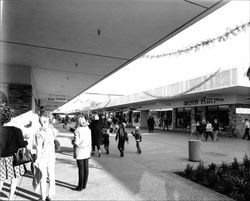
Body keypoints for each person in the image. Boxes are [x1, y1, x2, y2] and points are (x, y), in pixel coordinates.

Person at [0, 109, 27, 200]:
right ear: (11, 118)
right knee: (14, 179)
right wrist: (25, 142)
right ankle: (10, 198)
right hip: (13, 159)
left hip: (1, 159)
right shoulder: (17, 130)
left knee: (0, 179)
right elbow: (21, 145)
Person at [34, 115, 56, 201]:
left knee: (43, 177)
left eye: (44, 121)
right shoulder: (53, 131)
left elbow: (38, 148)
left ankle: (43, 197)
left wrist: (37, 159)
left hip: (43, 157)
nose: (42, 123)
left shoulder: (38, 133)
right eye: (42, 121)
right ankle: (50, 196)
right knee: (51, 176)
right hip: (51, 156)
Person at [72, 116, 91, 191]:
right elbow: (90, 141)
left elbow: (76, 142)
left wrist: (72, 141)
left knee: (81, 169)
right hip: (86, 150)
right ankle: (84, 185)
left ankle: (80, 186)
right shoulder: (88, 129)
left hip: (80, 151)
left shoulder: (77, 130)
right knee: (86, 168)